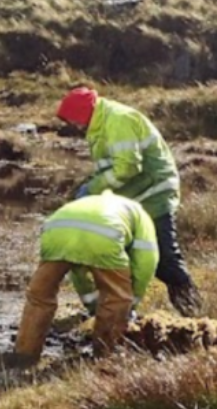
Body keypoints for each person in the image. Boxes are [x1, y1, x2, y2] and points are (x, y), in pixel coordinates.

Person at [54, 87, 203, 317]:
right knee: (128, 256)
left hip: (154, 193)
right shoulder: (100, 124)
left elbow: (128, 166)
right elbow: (110, 168)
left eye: (73, 120)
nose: (73, 126)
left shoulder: (118, 120)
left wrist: (92, 189)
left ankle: (195, 314)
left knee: (165, 259)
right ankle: (121, 311)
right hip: (135, 198)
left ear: (83, 113)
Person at [14, 191, 158, 360]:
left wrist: (91, 304)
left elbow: (79, 272)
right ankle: (104, 355)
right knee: (117, 298)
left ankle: (24, 355)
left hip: (55, 230)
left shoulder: (88, 202)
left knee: (39, 296)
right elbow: (146, 262)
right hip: (105, 236)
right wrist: (132, 304)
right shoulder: (140, 215)